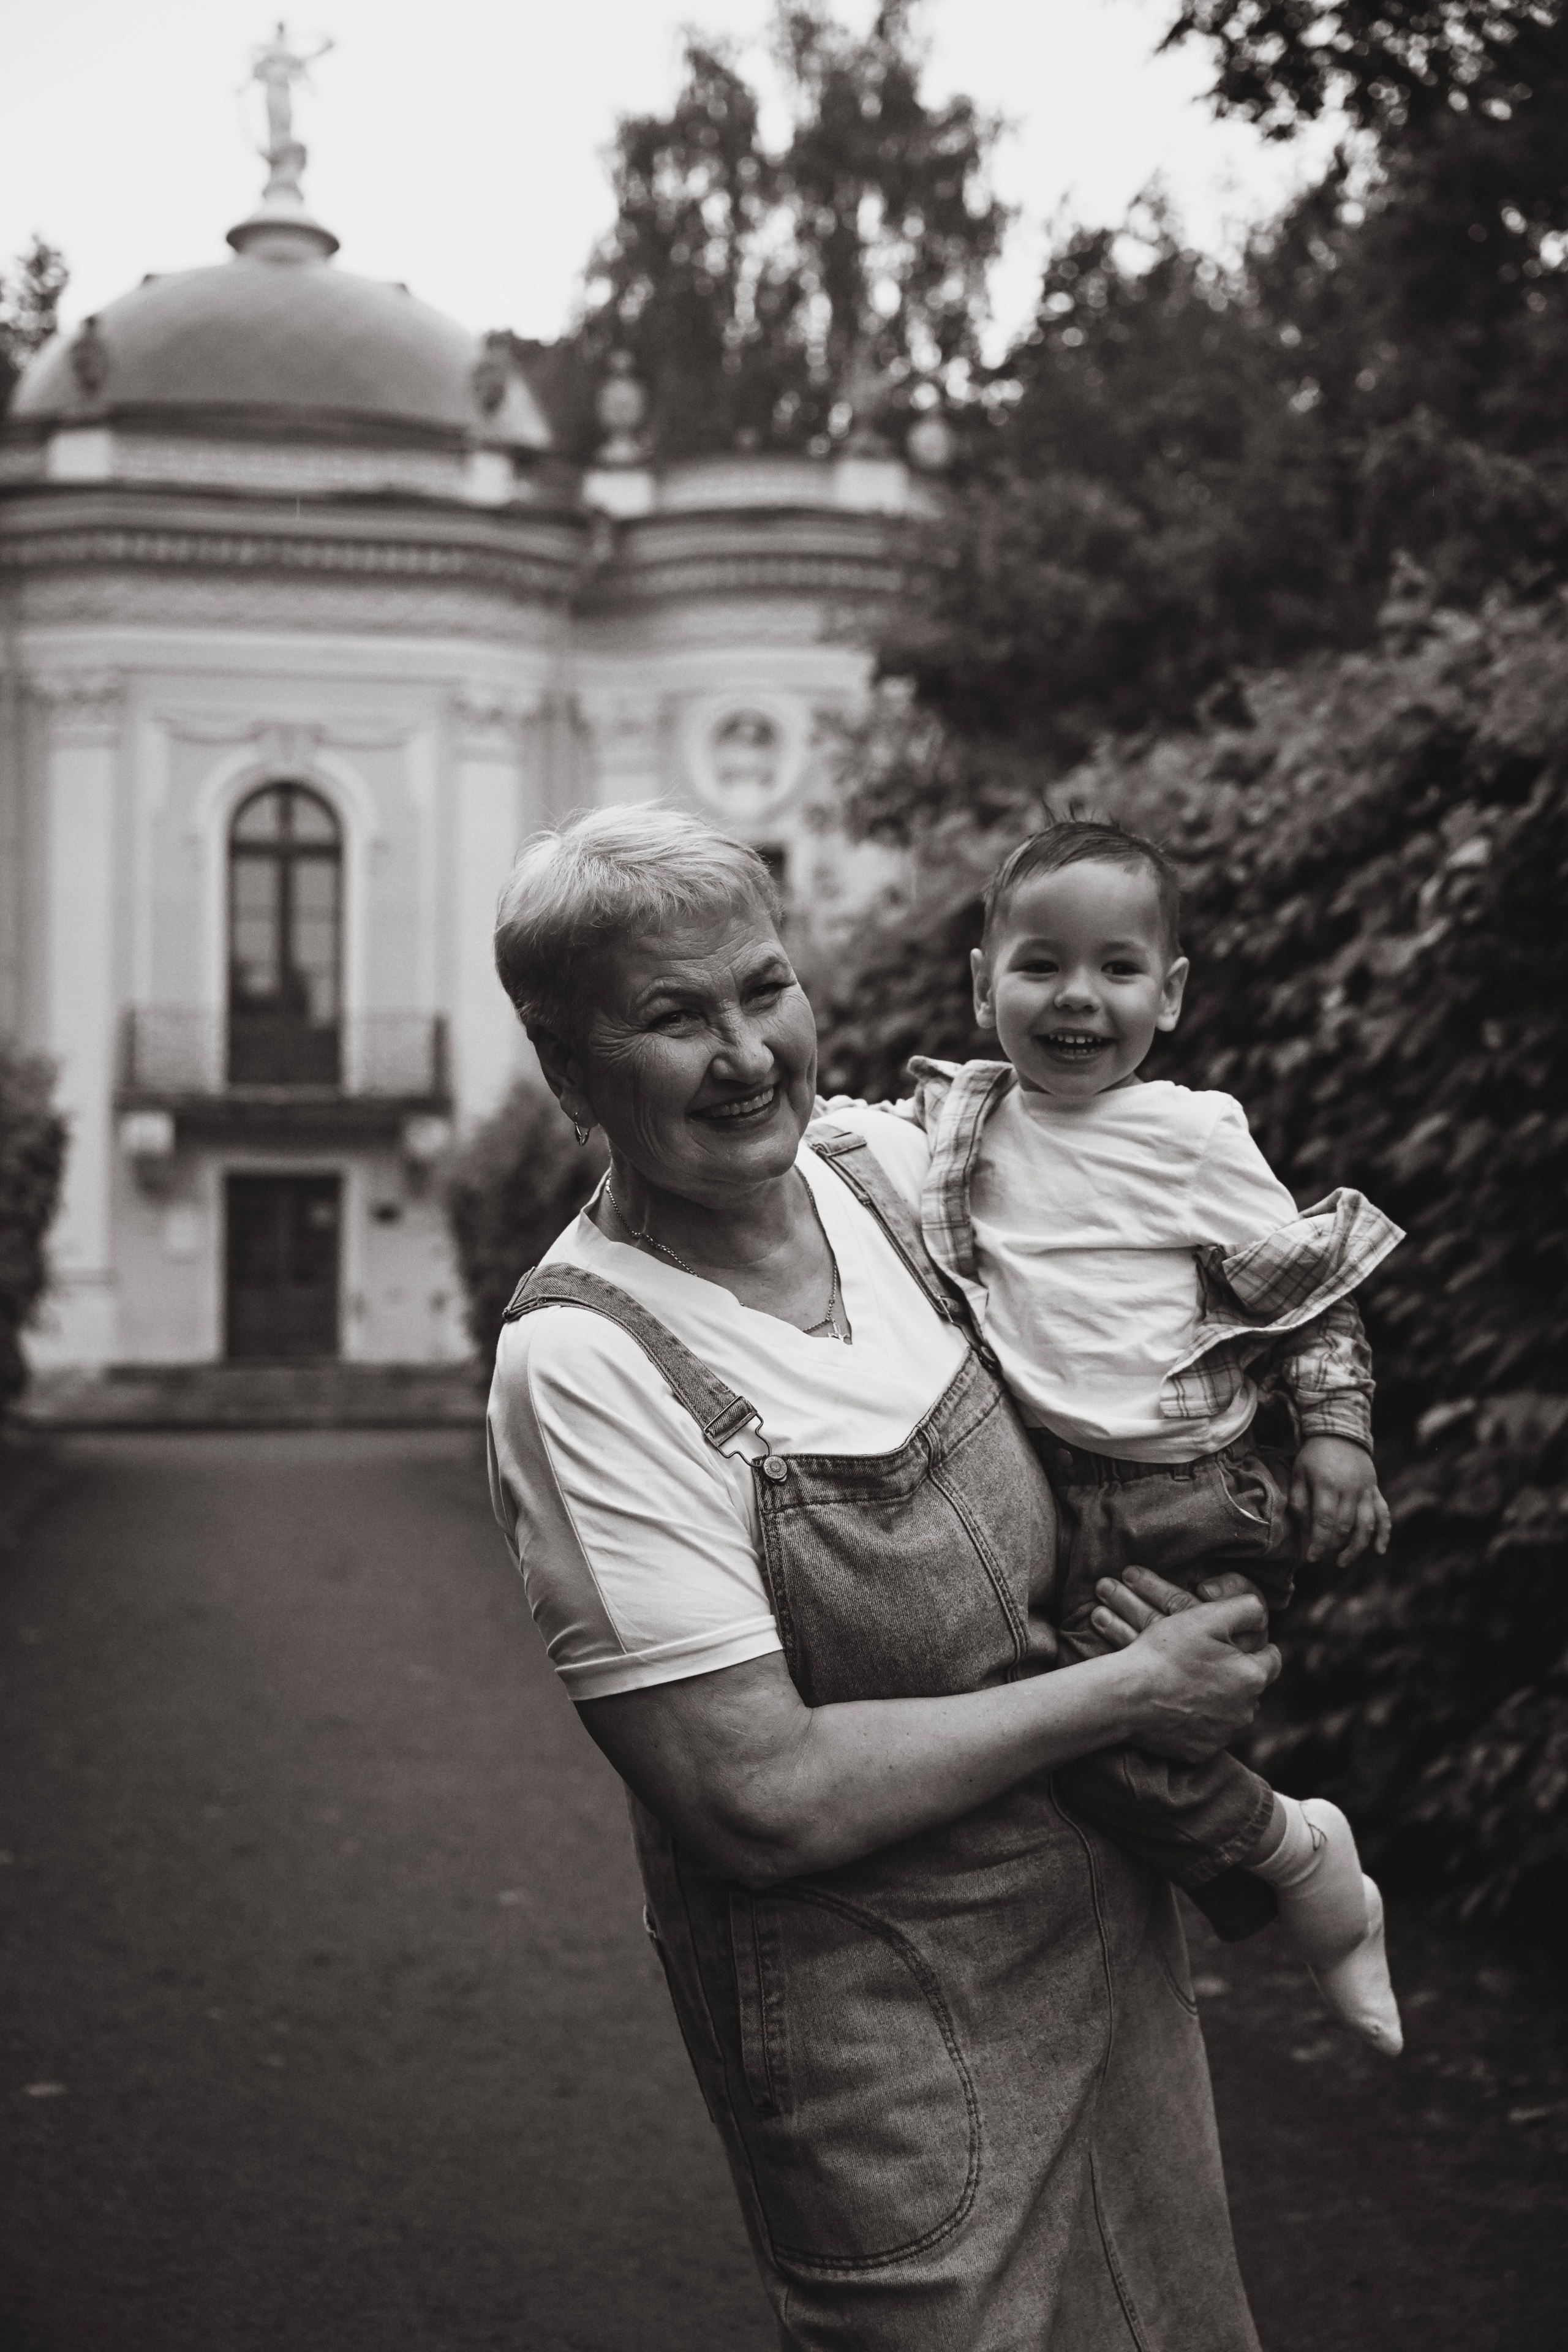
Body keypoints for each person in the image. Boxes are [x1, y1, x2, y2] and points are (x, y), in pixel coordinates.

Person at [486, 802, 1280, 2351]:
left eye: (762, 989)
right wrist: (1124, 1688)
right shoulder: (584, 1361)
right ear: (567, 1070)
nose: (743, 1054)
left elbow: (1134, 1340)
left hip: (1110, 1958)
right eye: (670, 1016)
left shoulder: (892, 1168)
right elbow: (754, 1794)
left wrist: (1202, 1561)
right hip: (889, 2047)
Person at [881, 815, 1403, 2055]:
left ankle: (1306, 1869)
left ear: (1166, 996)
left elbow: (1308, 1296)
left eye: (1116, 969)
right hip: (1049, 1502)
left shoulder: (1191, 1135)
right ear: (980, 983)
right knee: (1055, 1738)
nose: (1077, 998)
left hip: (1191, 1493)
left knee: (1115, 1745)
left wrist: (1337, 1440)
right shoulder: (962, 1129)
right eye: (1039, 965)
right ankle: (1284, 1857)